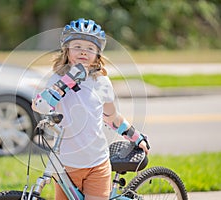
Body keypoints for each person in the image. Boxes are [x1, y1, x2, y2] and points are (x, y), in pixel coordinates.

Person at [32, 18, 150, 200]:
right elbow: (40, 105)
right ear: (67, 50)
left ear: (97, 54)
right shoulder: (57, 79)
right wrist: (68, 80)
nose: (83, 52)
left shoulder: (101, 82)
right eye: (77, 46)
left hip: (97, 163)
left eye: (90, 48)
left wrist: (135, 136)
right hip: (65, 166)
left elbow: (111, 117)